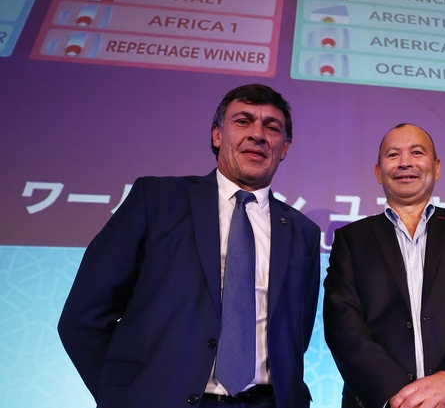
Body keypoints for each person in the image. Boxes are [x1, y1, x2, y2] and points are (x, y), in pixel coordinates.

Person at [58, 84, 321, 408]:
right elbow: (83, 318)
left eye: (272, 127)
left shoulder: (303, 232)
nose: (258, 134)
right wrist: (124, 395)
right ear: (217, 135)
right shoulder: (155, 201)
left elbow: (296, 336)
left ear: (284, 147)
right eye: (243, 121)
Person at [323, 124, 445, 408]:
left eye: (416, 152)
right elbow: (343, 325)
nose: (405, 163)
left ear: (436, 167)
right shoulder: (352, 239)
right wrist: (398, 397)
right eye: (393, 155)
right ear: (378, 172)